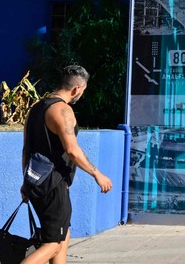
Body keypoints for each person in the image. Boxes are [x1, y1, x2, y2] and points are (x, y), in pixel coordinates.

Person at [20, 65, 113, 264]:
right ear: (76, 89)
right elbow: (72, 150)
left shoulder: (36, 109)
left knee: (62, 236)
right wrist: (97, 174)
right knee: (53, 244)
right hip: (53, 185)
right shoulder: (63, 110)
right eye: (83, 90)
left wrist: (26, 182)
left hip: (36, 182)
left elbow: (26, 149)